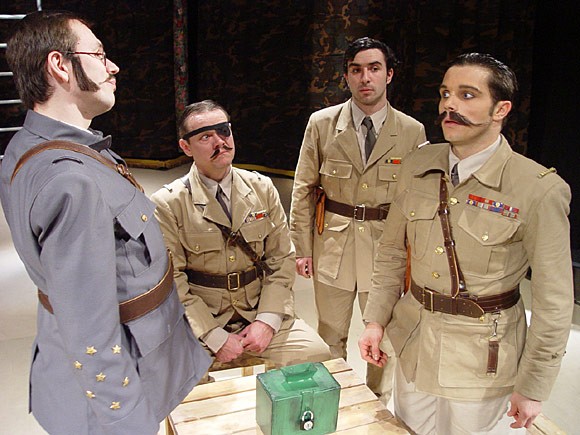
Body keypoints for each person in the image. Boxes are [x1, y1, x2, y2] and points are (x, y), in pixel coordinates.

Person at [0, 11, 211, 435]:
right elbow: (91, 332)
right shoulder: (72, 180)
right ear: (60, 65)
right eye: (98, 55)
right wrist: (128, 423)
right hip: (123, 383)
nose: (112, 67)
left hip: (82, 359)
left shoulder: (26, 147)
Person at [359, 53, 573, 434]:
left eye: (467, 95)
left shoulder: (537, 190)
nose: (449, 105)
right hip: (414, 344)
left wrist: (533, 385)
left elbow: (553, 301)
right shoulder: (417, 165)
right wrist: (376, 320)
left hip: (480, 362)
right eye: (445, 94)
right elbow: (391, 252)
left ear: (500, 109)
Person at [289, 37, 426, 403]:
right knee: (330, 333)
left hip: (385, 250)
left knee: (383, 335)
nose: (366, 78)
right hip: (332, 245)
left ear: (389, 74)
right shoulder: (322, 124)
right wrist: (302, 248)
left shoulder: (411, 131)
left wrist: (416, 257)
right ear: (347, 76)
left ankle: (377, 402)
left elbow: (418, 201)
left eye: (374, 68)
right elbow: (304, 188)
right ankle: (330, 401)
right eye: (356, 70)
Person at [151, 100, 330, 368]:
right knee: (178, 376)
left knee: (315, 354)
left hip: (257, 310)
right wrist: (213, 336)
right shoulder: (168, 203)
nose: (219, 142)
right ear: (186, 147)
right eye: (205, 137)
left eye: (224, 131)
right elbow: (172, 281)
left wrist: (267, 321)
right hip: (203, 322)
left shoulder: (261, 188)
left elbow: (281, 260)